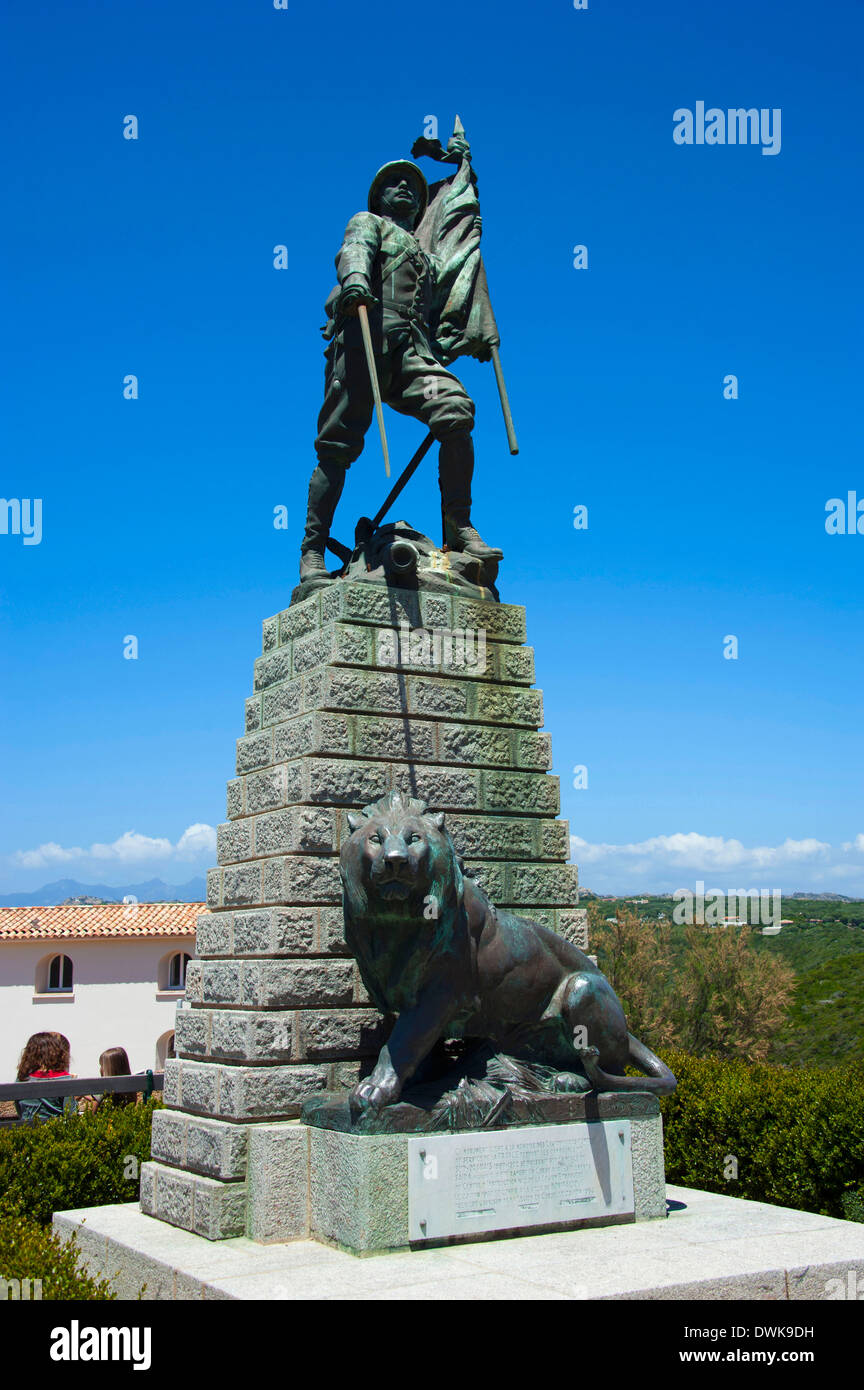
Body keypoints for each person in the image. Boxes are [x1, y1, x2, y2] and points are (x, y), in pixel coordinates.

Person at [301, 134, 502, 582]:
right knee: (337, 447)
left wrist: (478, 331)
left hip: (412, 352)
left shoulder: (426, 256)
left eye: (412, 184)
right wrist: (355, 279)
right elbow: (354, 250)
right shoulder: (369, 223)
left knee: (456, 412)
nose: (406, 189)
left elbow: (450, 299)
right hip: (366, 343)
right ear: (379, 197)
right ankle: (312, 550)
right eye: (394, 183)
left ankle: (459, 528)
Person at [15, 1031, 76, 1122]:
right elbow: (71, 1115)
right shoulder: (65, 1080)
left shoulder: (22, 1079)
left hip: (27, 1131)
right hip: (54, 1132)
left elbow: (19, 1108)